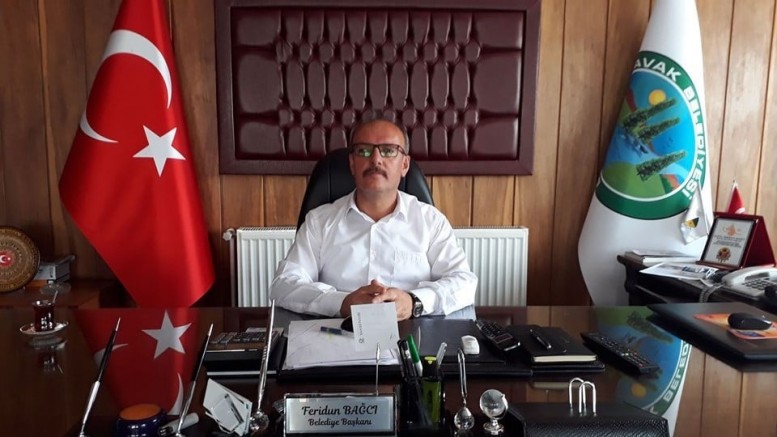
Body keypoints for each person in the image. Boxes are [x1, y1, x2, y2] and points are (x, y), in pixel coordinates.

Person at [270, 116, 477, 320]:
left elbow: (464, 282)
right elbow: (284, 284)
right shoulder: (319, 222)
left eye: (388, 150)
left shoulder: (430, 221)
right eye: (364, 150)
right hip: (337, 332)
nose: (376, 159)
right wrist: (341, 302)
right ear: (352, 163)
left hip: (413, 333)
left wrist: (414, 302)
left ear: (404, 165)